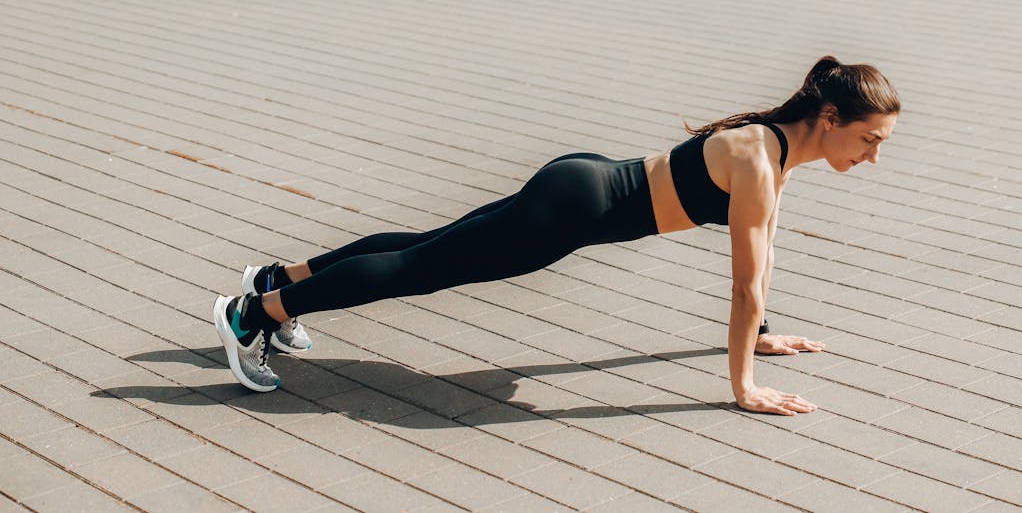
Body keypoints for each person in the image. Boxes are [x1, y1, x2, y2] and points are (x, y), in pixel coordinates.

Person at [213, 55, 900, 416]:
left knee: (426, 245)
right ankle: (253, 314)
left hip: (579, 181)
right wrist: (744, 385)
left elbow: (763, 256)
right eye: (870, 139)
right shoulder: (759, 161)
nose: (874, 157)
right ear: (831, 118)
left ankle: (278, 280)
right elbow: (745, 283)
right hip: (569, 212)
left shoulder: (776, 149)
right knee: (418, 268)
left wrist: (762, 334)